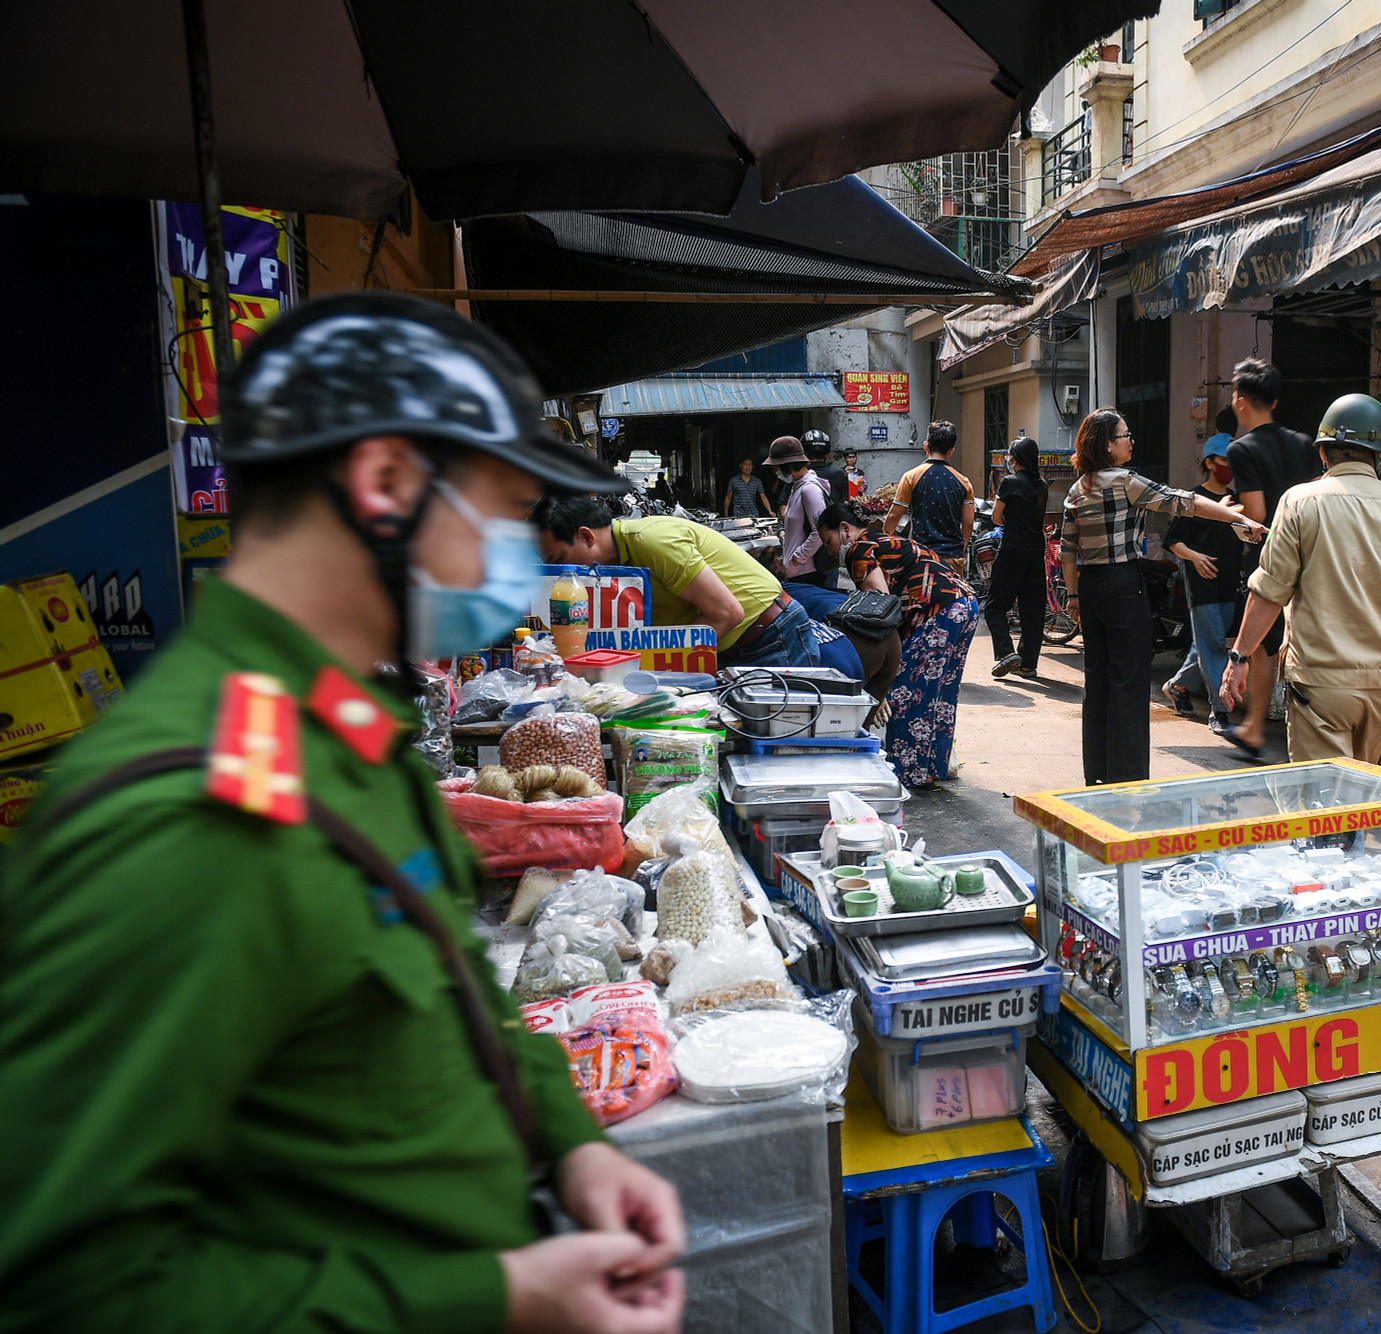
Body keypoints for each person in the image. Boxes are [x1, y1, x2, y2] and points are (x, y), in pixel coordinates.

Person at [0, 293, 686, 1334]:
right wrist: (497, 1297)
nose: (515, 552)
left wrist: (570, 1139)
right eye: (500, 510)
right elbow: (78, 1290)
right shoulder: (183, 814)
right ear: (387, 485)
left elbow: (446, 988)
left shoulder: (346, 735)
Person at [1219, 394, 1381, 764]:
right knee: (1360, 792)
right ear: (1378, 456)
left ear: (1324, 452)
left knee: (1321, 805)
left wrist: (1239, 657)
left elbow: (1269, 592)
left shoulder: (1300, 502)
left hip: (1324, 685)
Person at [1061, 408, 1262, 785]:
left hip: (1091, 588)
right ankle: (1128, 778)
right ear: (1108, 445)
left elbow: (1068, 550)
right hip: (1123, 587)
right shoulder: (1125, 481)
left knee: (1099, 683)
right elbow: (1182, 501)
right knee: (1130, 684)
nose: (1131, 441)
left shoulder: (1078, 488)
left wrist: (1073, 596)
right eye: (1125, 435)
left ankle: (1098, 776)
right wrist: (1238, 519)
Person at [537, 496, 820, 669]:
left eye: (558, 557)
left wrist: (654, 663)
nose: (558, 570)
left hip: (772, 639)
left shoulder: (650, 540)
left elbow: (726, 613)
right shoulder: (618, 567)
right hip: (734, 645)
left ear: (587, 537)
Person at [817, 502, 978, 789]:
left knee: (906, 696)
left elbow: (878, 605)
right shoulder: (884, 539)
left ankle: (906, 773)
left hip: (937, 611)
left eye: (828, 541)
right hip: (965, 604)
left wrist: (884, 668)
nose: (830, 551)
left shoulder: (858, 549)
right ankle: (932, 768)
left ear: (844, 529)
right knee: (939, 695)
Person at [1222, 358, 1323, 759]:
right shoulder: (1303, 443)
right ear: (1275, 402)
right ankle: (1278, 724)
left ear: (1242, 402)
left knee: (1261, 643)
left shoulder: (1241, 449)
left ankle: (1254, 727)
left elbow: (1257, 513)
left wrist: (1230, 510)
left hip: (1269, 556)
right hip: (1311, 553)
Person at [1163, 411, 1242, 735]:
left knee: (1205, 644)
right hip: (1202, 582)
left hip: (1229, 583)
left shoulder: (1237, 500)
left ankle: (1178, 687)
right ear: (1211, 462)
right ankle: (1219, 711)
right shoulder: (1192, 500)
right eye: (1226, 460)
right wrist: (1194, 557)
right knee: (1212, 647)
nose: (1231, 467)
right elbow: (1172, 541)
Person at [985, 435, 1049, 680]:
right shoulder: (1041, 485)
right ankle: (1028, 665)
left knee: (995, 607)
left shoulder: (1009, 482)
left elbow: (996, 517)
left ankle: (1006, 651)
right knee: (1032, 610)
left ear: (1016, 458)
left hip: (1012, 550)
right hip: (1035, 551)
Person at [886, 421, 974, 571]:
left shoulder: (911, 477)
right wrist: (961, 549)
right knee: (951, 594)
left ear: (926, 445)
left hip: (921, 558)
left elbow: (894, 516)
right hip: (952, 559)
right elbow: (969, 523)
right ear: (951, 450)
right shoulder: (963, 482)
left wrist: (887, 543)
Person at [766, 434, 836, 591]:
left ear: (788, 465)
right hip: (796, 571)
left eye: (777, 466)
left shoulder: (809, 489)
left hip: (806, 572)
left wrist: (799, 557)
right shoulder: (797, 486)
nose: (776, 471)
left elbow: (820, 530)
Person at [726, 454, 774, 518]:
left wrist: (770, 511)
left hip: (753, 515)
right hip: (738, 515)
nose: (748, 467)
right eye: (745, 464)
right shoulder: (733, 481)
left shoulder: (757, 481)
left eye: (750, 465)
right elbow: (728, 497)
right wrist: (726, 514)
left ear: (752, 467)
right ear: (740, 466)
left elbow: (763, 496)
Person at [803, 429, 848, 499]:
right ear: (827, 454)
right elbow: (845, 500)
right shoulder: (839, 474)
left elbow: (784, 505)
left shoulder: (798, 475)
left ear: (805, 454)